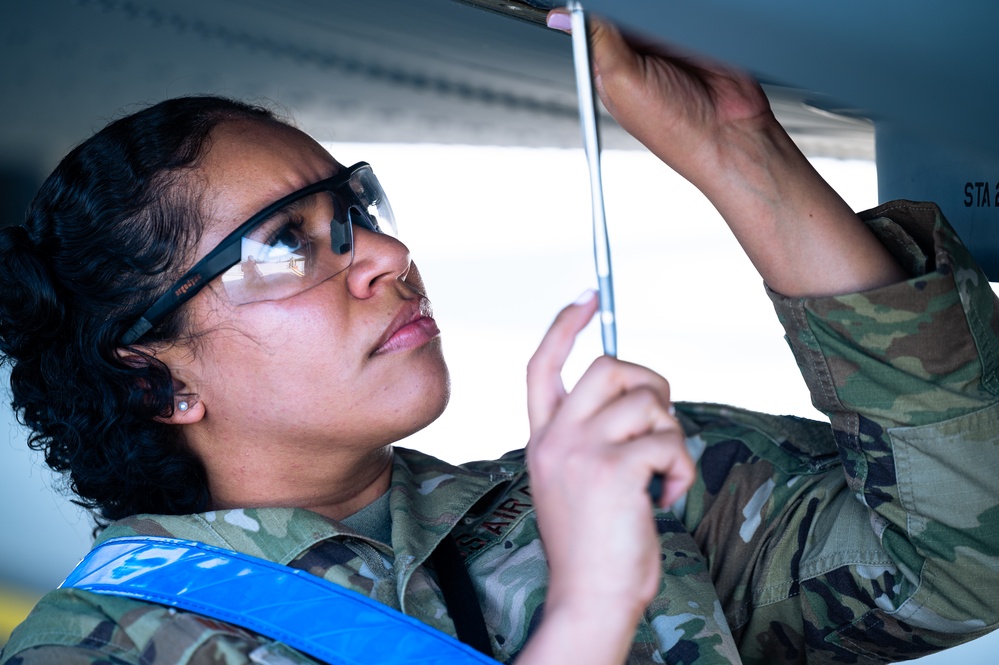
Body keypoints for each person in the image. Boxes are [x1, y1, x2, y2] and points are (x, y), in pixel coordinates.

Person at [2, 7, 998, 664]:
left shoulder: (612, 489)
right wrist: (592, 611)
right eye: (286, 243)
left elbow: (966, 555)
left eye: (356, 208)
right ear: (157, 381)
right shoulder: (94, 650)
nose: (387, 251)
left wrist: (741, 152)